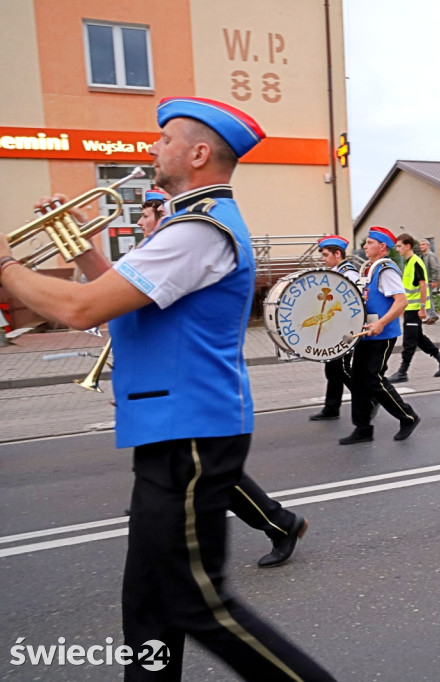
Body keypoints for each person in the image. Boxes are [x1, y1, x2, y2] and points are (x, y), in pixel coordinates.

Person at [0, 97, 334, 680]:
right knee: (148, 608)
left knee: (196, 605)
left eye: (165, 140)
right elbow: (120, 298)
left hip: (192, 432)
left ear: (199, 153)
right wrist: (79, 246)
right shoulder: (188, 223)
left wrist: (5, 267)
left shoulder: (200, 230)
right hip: (172, 426)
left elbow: (80, 310)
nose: (153, 148)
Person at [138, 188, 311, 569]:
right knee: (189, 468)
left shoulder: (183, 246)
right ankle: (155, 510)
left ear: (161, 214)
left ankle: (278, 522)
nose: (139, 222)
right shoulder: (158, 251)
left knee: (207, 470)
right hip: (168, 382)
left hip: (192, 382)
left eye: (145, 214)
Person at [338, 227, 421, 444]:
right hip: (366, 334)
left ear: (382, 246)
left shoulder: (386, 269)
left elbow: (401, 301)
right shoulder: (369, 268)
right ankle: (363, 428)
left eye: (369, 243)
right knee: (358, 379)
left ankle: (408, 417)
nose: (364, 246)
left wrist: (381, 323)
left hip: (382, 335)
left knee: (373, 379)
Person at [309, 235, 362, 421]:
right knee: (333, 369)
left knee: (340, 369)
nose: (323, 258)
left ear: (337, 254)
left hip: (345, 330)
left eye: (325, 254)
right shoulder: (337, 272)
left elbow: (357, 303)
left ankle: (369, 398)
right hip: (335, 328)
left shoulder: (349, 274)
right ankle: (332, 408)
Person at [387, 233, 440, 383]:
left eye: (399, 246)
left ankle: (402, 372)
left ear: (408, 246)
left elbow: (423, 285)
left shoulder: (416, 262)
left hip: (416, 309)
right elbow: (409, 289)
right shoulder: (409, 262)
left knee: (409, 341)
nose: (397, 249)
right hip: (410, 308)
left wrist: (422, 308)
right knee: (418, 338)